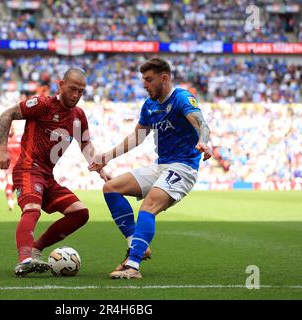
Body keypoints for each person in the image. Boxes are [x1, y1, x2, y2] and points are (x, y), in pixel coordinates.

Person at [89, 58, 212, 279]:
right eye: (143, 80)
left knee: (149, 206)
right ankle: (137, 244)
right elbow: (137, 137)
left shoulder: (182, 98)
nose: (144, 85)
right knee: (111, 188)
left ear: (164, 78)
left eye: (149, 79)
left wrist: (204, 142)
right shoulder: (150, 105)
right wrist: (106, 157)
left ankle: (133, 266)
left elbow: (202, 123)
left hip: (183, 167)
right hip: (162, 165)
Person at [0, 68, 107, 277]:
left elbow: (85, 143)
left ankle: (37, 249)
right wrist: (3, 148)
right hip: (28, 169)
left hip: (47, 176)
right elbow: (7, 114)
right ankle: (24, 260)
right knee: (32, 209)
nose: (76, 95)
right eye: (72, 89)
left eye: (81, 92)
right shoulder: (43, 105)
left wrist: (99, 167)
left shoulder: (78, 116)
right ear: (61, 85)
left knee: (80, 213)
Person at [4, 126, 21, 211]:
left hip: (11, 167)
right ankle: (17, 200)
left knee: (10, 185)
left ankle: (10, 201)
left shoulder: (5, 140)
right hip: (20, 167)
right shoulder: (20, 139)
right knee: (19, 186)